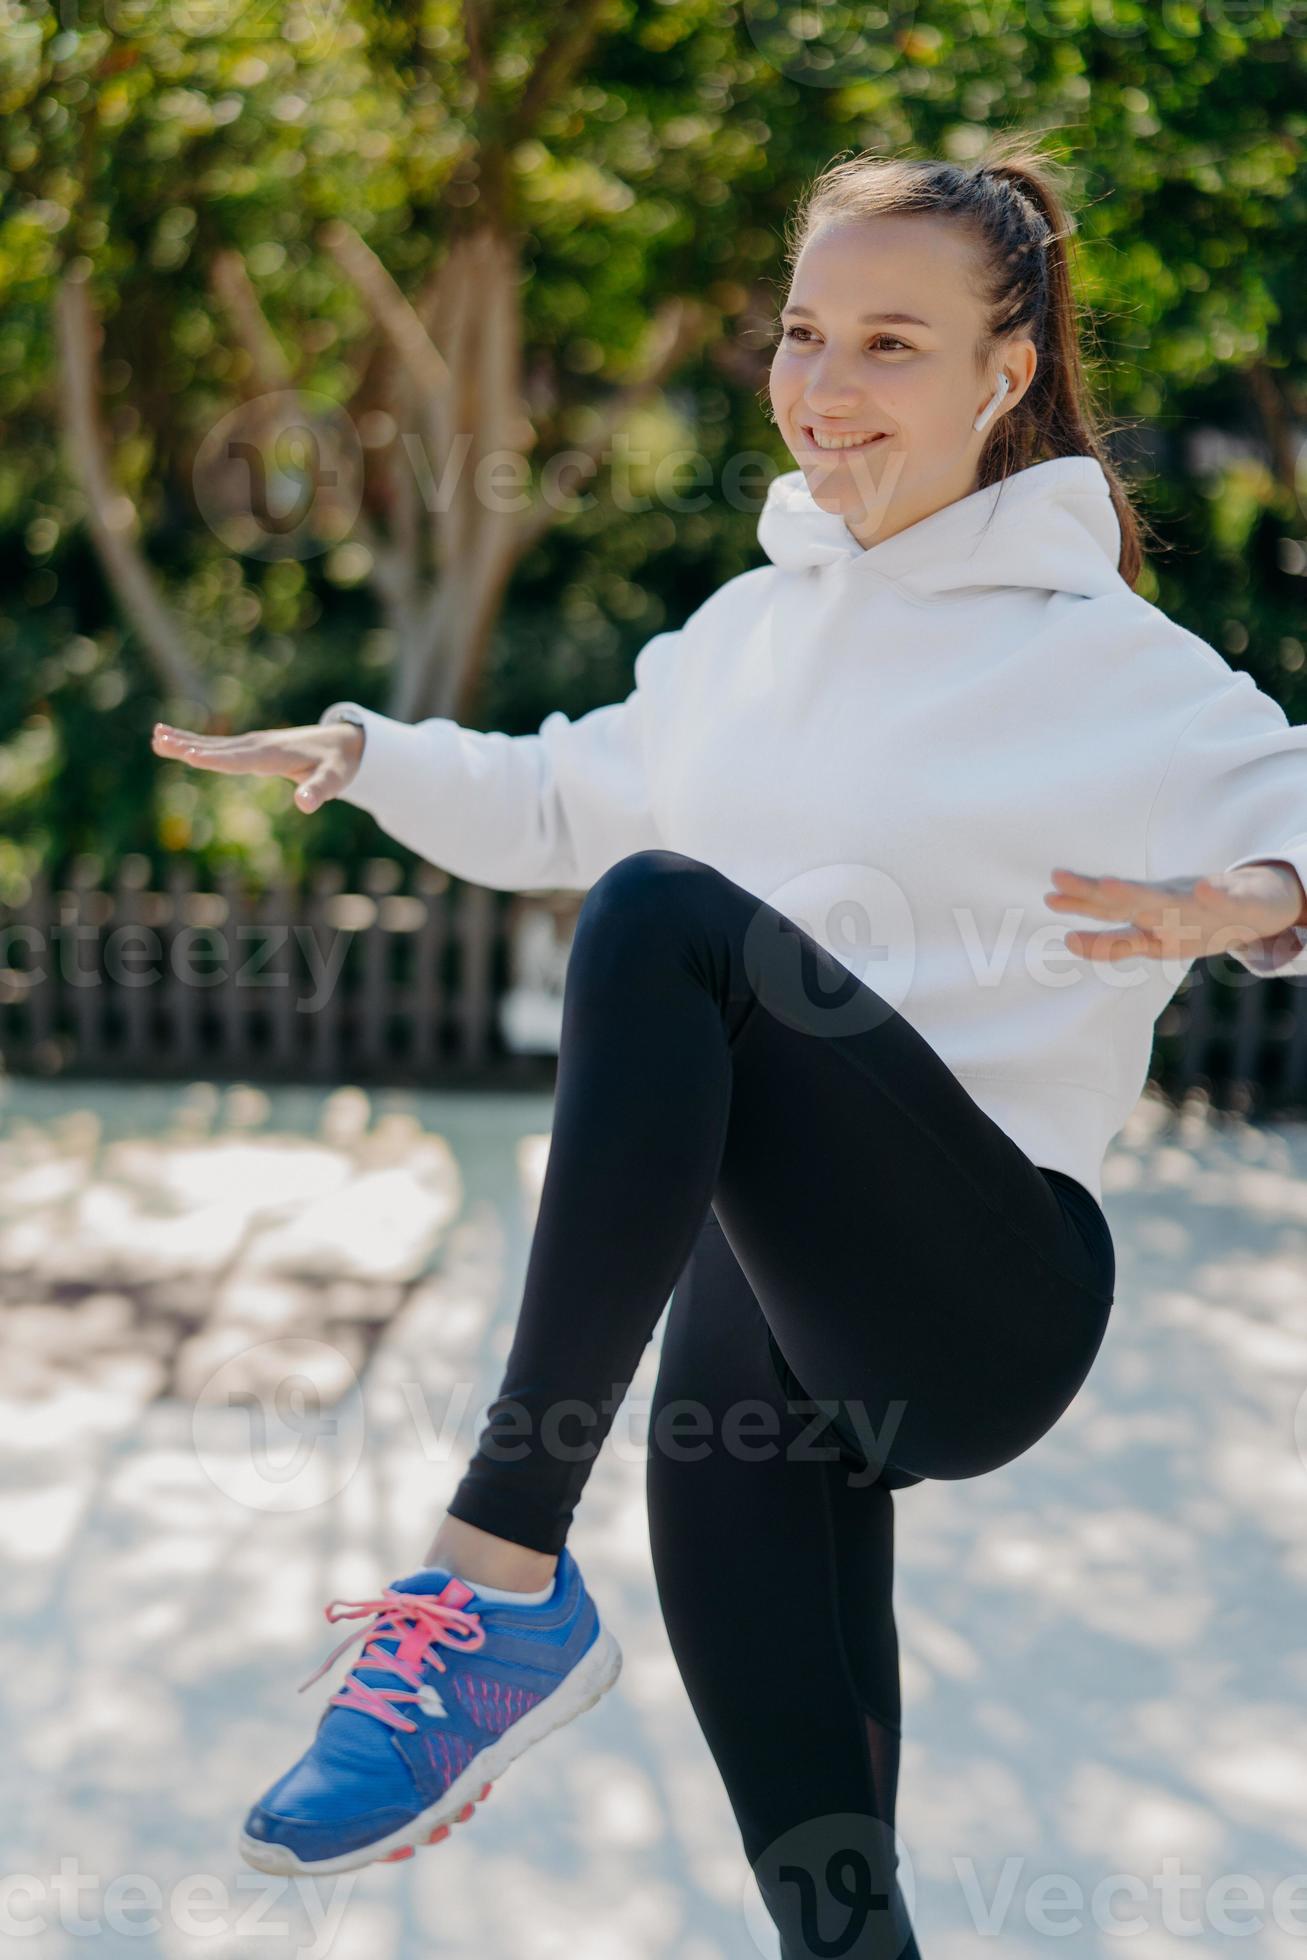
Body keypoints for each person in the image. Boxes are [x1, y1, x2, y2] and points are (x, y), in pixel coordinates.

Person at [153, 137, 1307, 1958]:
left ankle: (498, 1574)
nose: (824, 388)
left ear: (1008, 377)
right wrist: (369, 753)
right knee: (834, 1902)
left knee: (667, 921)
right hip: (774, 1308)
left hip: (987, 1291)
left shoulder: (1108, 659)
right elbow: (560, 793)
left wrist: (1239, 898)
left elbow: (1295, 804)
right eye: (801, 333)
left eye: (891, 346)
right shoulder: (749, 634)